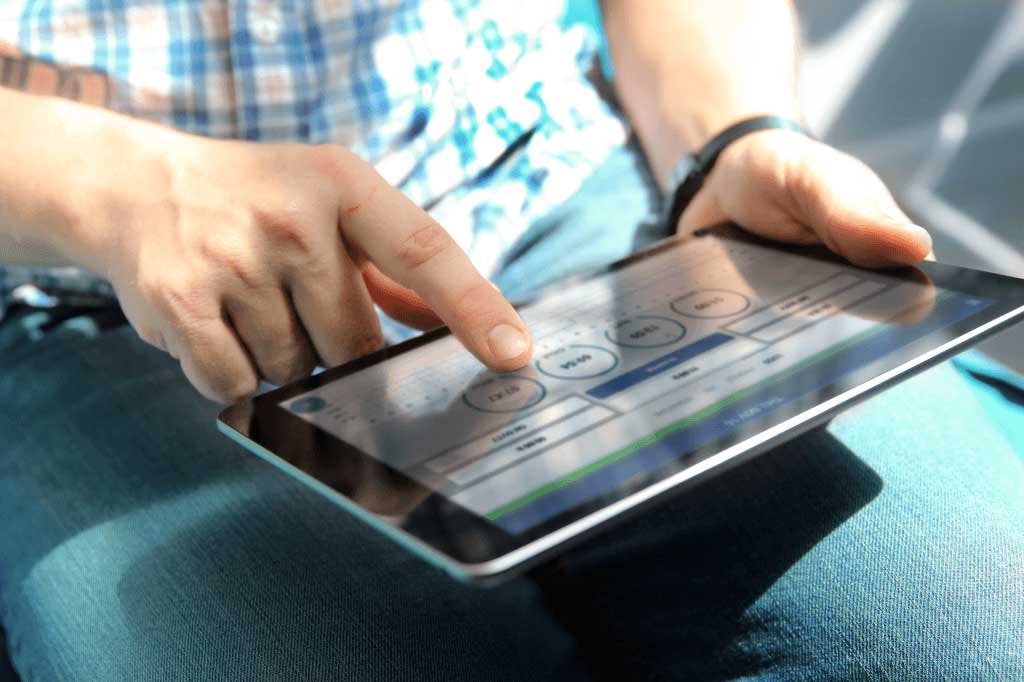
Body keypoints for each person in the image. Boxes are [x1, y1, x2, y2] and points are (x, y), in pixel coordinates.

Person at [0, 1, 1020, 680]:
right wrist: (119, 190)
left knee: (973, 638)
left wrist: (725, 139)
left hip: (559, 189)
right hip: (82, 292)